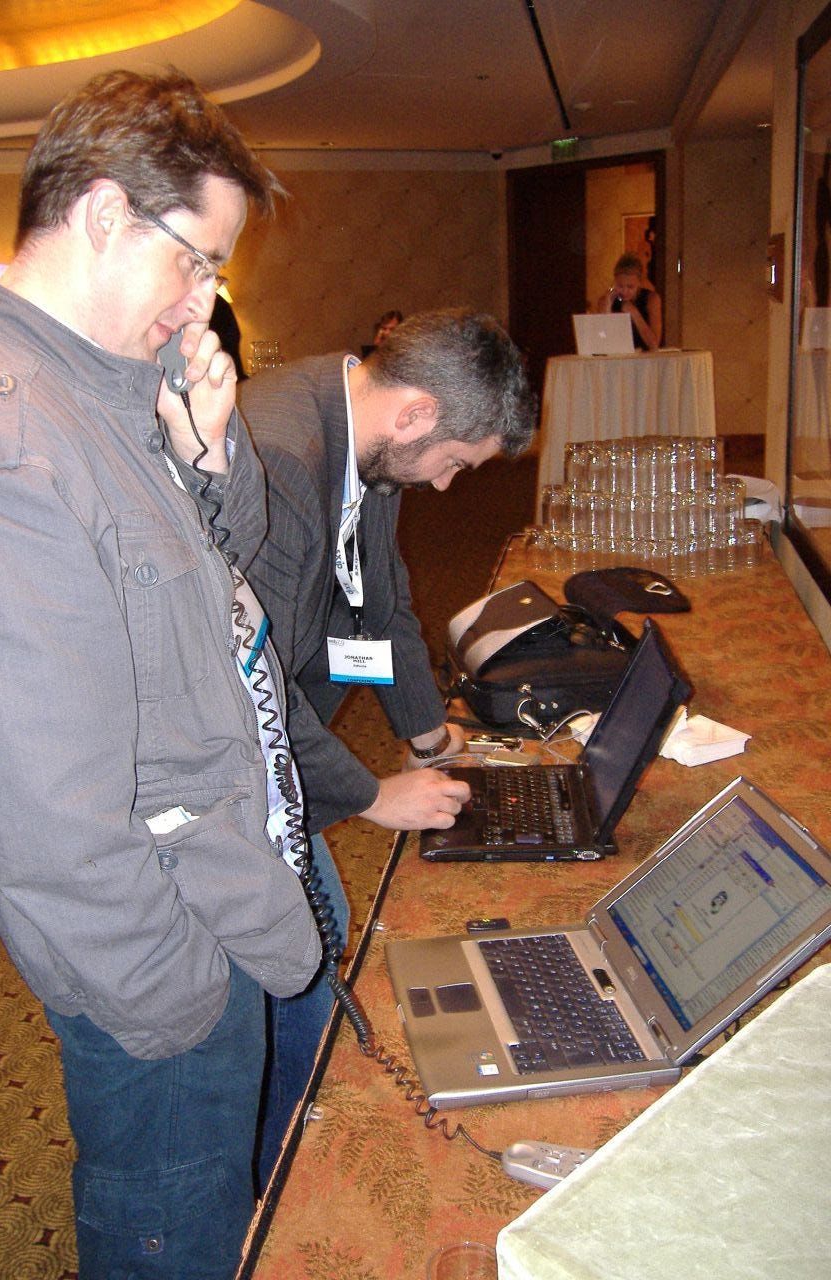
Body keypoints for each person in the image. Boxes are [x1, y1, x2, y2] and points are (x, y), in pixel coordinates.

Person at [0, 69, 322, 1280]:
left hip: (223, 874)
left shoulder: (104, 385)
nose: (207, 297)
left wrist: (209, 440)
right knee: (175, 1233)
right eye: (199, 259)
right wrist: (185, 1001)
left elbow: (216, 569)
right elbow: (56, 828)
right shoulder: (4, 445)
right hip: (163, 961)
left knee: (249, 1207)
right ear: (105, 217)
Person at [239, 307, 534, 1185]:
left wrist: (430, 737)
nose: (446, 487)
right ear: (414, 414)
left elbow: (386, 608)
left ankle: (283, 1139)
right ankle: (276, 1176)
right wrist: (370, 795)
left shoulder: (361, 429)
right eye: (453, 464)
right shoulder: (283, 459)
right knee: (302, 958)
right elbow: (244, 685)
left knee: (307, 951)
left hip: (281, 729)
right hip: (220, 760)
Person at [595, 251, 662, 351]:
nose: (625, 291)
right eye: (620, 286)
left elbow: (654, 344)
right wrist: (607, 309)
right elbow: (601, 339)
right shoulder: (606, 300)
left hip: (645, 359)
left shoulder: (651, 299)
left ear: (639, 283)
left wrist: (634, 312)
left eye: (630, 287)